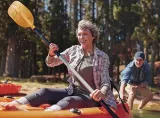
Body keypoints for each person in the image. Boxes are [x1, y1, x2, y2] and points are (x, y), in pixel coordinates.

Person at [3, 20, 116, 111]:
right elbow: (51, 63)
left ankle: (48, 114)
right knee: (45, 92)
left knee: (70, 100)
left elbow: (105, 82)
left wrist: (101, 92)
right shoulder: (73, 50)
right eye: (79, 34)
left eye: (85, 34)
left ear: (93, 36)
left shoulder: (102, 56)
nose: (81, 37)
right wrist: (51, 54)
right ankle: (13, 105)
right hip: (73, 90)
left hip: (91, 96)